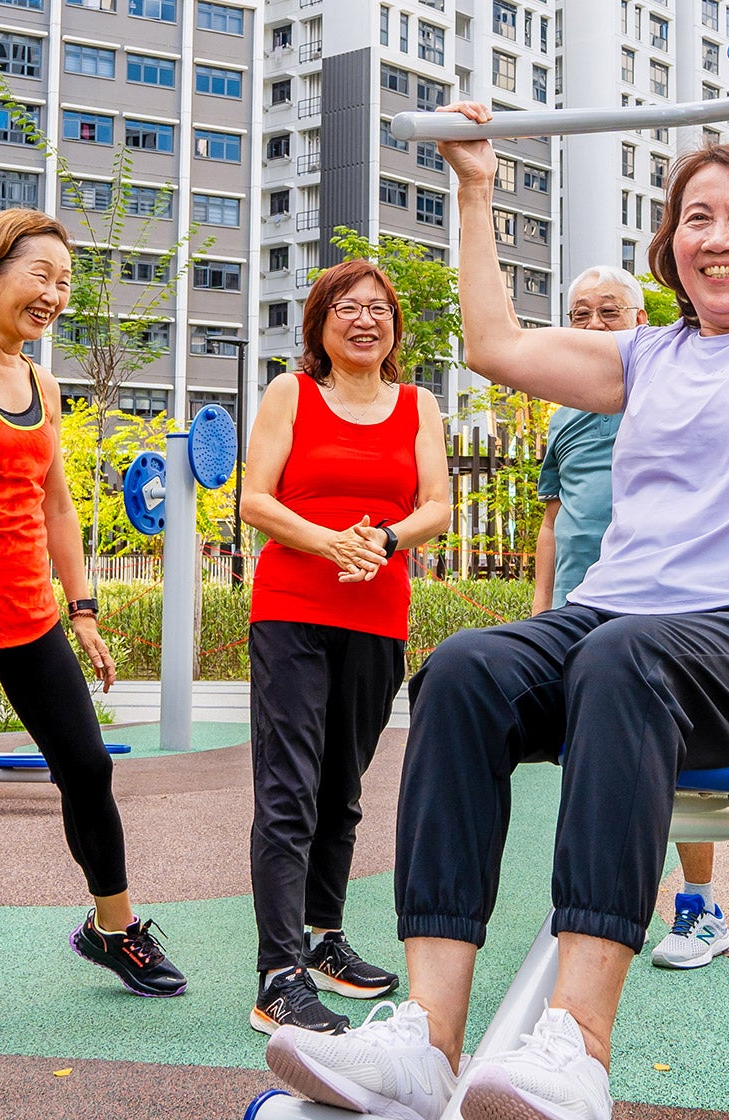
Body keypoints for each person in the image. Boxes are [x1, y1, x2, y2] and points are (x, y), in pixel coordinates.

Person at [264, 28, 729, 1120]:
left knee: (627, 656)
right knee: (464, 670)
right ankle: (426, 1041)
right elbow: (492, 344)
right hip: (614, 625)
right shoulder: (644, 356)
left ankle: (577, 1046)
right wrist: (477, 191)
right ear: (669, 249)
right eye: (694, 220)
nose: (716, 239)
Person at [0, 207, 186, 1051]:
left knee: (88, 768)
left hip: (28, 612)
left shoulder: (44, 385)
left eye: (65, 282)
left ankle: (113, 929)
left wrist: (82, 605)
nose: (55, 294)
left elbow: (54, 502)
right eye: (41, 275)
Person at [240, 258, 452, 1036]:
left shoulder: (416, 404)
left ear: (393, 327)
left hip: (377, 615)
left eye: (379, 310)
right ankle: (278, 971)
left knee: (343, 787)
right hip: (292, 609)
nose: (366, 320)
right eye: (348, 308)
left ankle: (325, 938)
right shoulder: (291, 394)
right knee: (288, 790)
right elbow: (255, 498)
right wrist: (331, 543)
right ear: (320, 324)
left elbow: (438, 505)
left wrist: (385, 538)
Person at [531, 270, 728, 971]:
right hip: (580, 608)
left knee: (676, 768)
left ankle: (700, 904)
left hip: (659, 605)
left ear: (640, 319)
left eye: (607, 313)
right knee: (583, 760)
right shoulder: (562, 411)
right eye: (577, 314)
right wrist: (542, 609)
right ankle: (586, 901)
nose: (590, 326)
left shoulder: (666, 387)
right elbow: (552, 520)